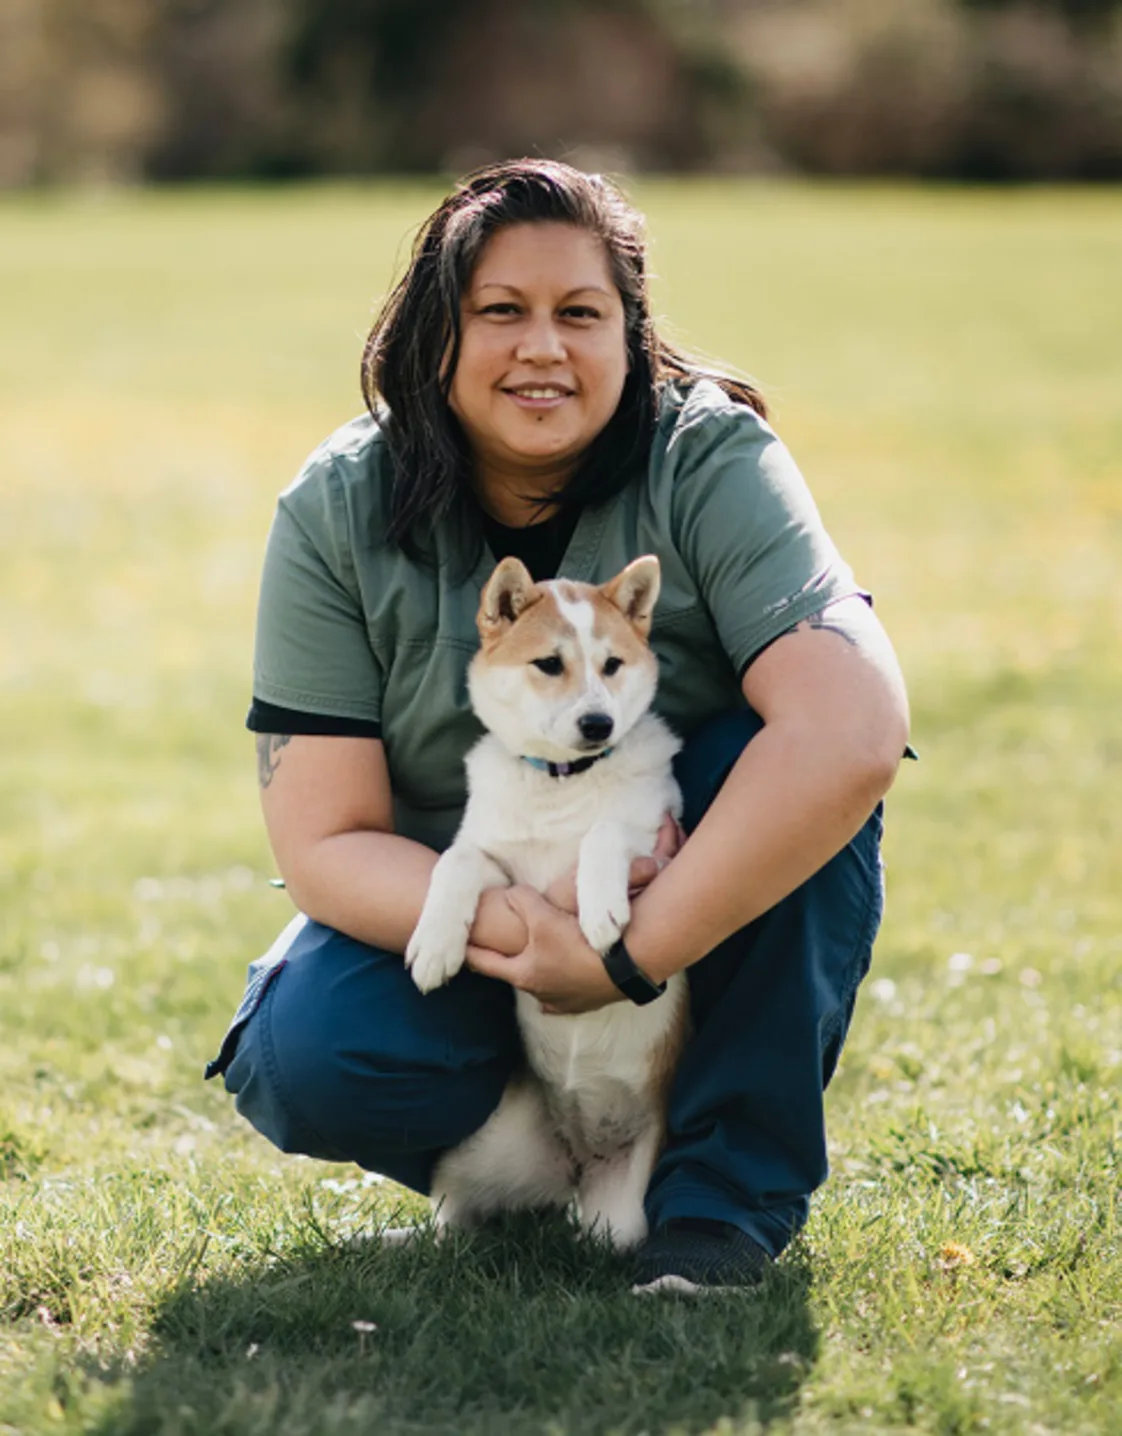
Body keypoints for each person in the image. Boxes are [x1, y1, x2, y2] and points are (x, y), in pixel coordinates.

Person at [205, 159, 910, 1294]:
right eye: (501, 311)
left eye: (581, 313)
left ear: (631, 332)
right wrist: (535, 938)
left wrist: (628, 951)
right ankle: (532, 1168)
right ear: (437, 335)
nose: (544, 348)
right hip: (485, 899)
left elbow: (854, 730)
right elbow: (323, 838)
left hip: (677, 907)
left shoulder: (708, 457)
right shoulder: (338, 504)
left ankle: (719, 1195)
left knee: (774, 771)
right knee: (306, 1050)